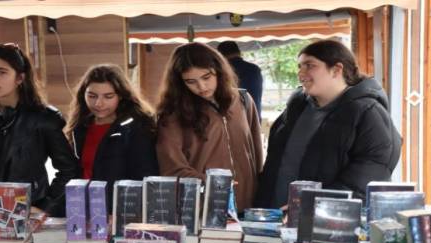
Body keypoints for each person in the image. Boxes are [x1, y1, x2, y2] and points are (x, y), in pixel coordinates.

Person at [255, 39, 402, 208]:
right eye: (300, 66)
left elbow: (369, 175)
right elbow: (276, 161)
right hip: (275, 217)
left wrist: (315, 206)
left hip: (328, 223)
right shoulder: (297, 106)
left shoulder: (368, 112)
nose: (301, 73)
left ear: (336, 70)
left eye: (310, 65)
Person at [0, 43, 79, 221]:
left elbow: (69, 169)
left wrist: (45, 205)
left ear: (19, 78)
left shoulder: (43, 118)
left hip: (25, 211)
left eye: (1, 72)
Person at [156, 42, 263, 212]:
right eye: (191, 81)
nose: (202, 87)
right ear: (180, 82)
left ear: (219, 71)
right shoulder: (173, 113)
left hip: (246, 205)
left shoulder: (243, 100)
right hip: (202, 207)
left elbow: (256, 154)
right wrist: (214, 184)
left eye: (207, 77)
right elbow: (171, 168)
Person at [64, 64, 158, 208]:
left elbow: (144, 177)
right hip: (82, 209)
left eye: (108, 96)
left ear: (120, 96)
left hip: (119, 213)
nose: (98, 103)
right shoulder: (79, 127)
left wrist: (123, 214)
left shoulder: (136, 127)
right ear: (83, 95)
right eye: (92, 96)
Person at [217, 41, 264, 119]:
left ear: (220, 55)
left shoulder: (220, 70)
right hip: (254, 114)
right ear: (239, 52)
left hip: (230, 118)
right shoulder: (254, 69)